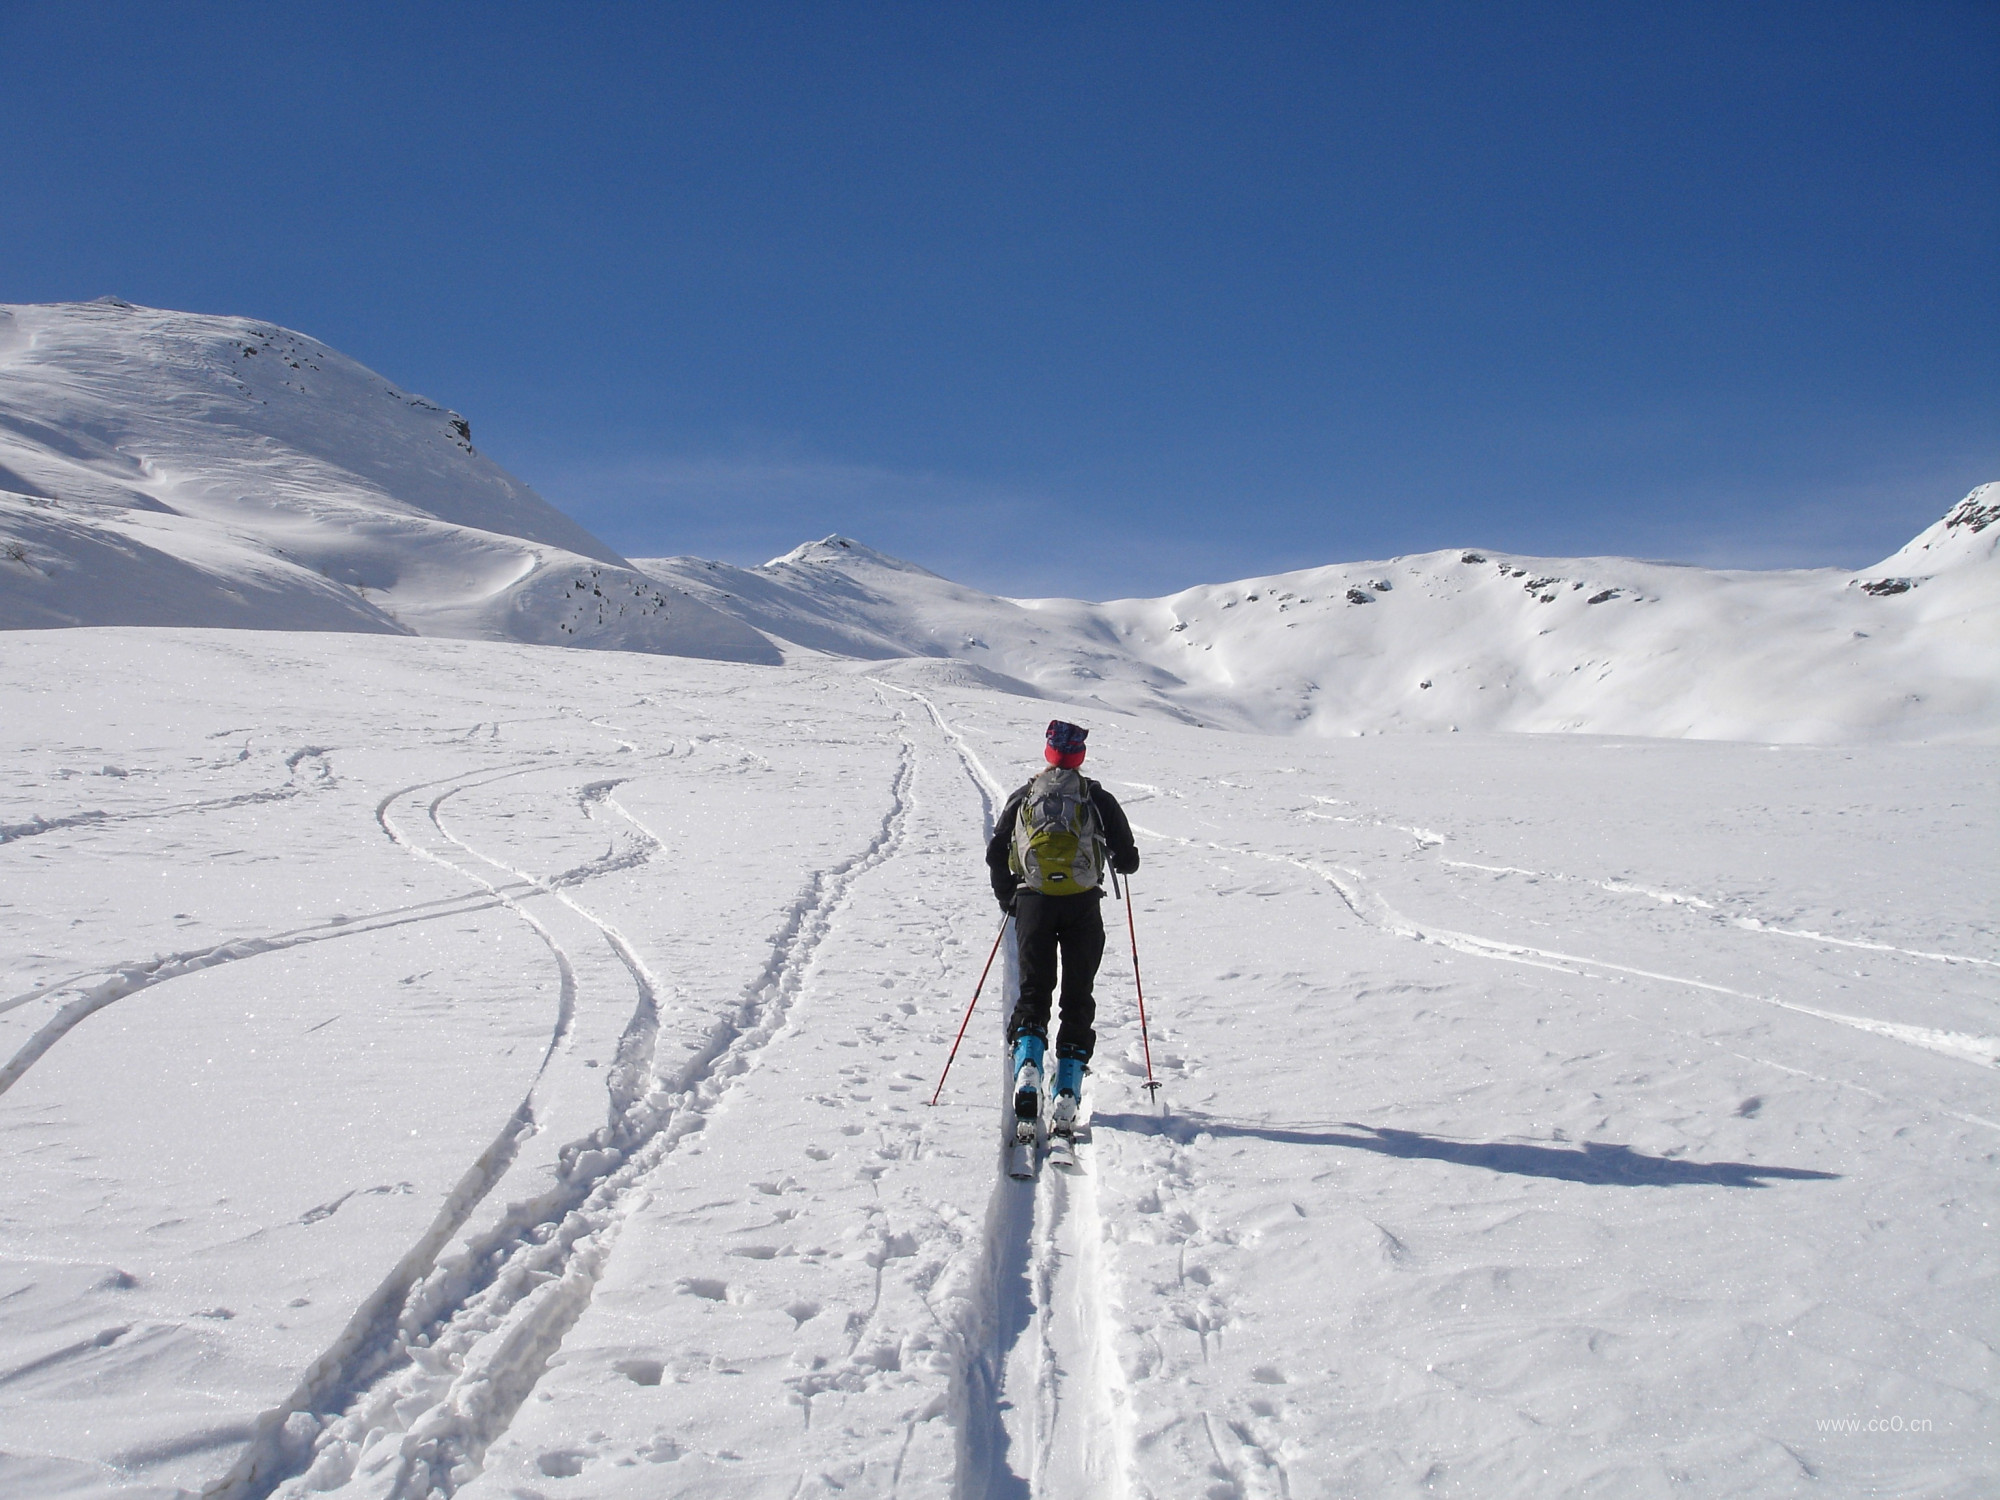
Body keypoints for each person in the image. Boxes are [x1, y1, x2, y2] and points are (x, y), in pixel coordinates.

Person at [986, 719, 1140, 1132]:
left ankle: (1028, 1070)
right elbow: (1128, 860)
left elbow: (996, 853)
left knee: (1034, 992)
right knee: (1077, 996)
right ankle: (1067, 1091)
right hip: (1083, 907)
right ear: (1080, 757)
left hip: (1034, 904)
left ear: (1048, 753)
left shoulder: (1025, 796)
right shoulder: (1096, 798)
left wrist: (1010, 900)